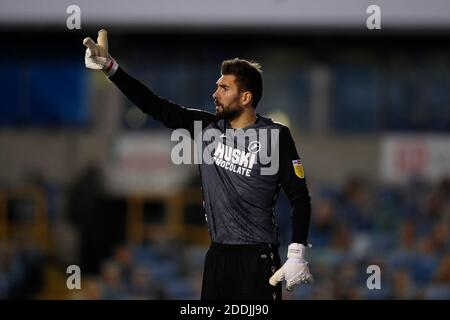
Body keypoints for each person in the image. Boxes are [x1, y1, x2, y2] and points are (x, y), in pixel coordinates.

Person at [83, 29, 313, 300]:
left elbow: (300, 198)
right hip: (217, 255)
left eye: (224, 88)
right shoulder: (206, 127)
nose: (215, 93)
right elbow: (154, 106)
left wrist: (297, 252)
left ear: (246, 97)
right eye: (217, 86)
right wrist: (111, 68)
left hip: (258, 256)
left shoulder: (276, 136)